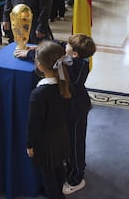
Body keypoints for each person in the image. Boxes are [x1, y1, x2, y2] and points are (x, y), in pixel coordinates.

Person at [15, 34, 96, 195]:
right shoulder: (75, 57)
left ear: (74, 55)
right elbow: (59, 45)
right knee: (69, 142)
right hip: (72, 108)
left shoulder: (75, 66)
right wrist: (38, 48)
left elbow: (53, 62)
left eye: (68, 47)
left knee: (75, 144)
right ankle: (71, 167)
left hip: (77, 111)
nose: (65, 47)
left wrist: (32, 54)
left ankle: (76, 178)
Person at [26, 41, 72, 199]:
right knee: (59, 168)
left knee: (49, 176)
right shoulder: (64, 82)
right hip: (62, 137)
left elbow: (34, 125)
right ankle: (58, 193)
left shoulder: (38, 95)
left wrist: (30, 145)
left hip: (45, 144)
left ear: (39, 65)